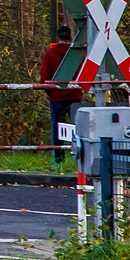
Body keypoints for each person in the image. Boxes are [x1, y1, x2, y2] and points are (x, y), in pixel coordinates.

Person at [39, 25, 84, 165]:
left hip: (57, 98)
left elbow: (44, 78)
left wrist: (52, 93)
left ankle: (58, 159)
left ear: (58, 38)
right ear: (71, 38)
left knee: (57, 127)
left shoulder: (50, 54)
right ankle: (80, 159)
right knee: (79, 128)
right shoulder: (77, 56)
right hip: (75, 97)